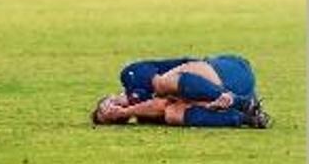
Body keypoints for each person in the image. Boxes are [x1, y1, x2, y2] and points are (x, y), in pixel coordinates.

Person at [92, 55, 271, 128]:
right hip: (237, 91)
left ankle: (240, 103)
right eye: (110, 118)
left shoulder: (131, 76)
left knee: (163, 84)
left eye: (104, 108)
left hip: (229, 71)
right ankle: (246, 117)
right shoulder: (146, 114)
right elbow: (160, 106)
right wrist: (126, 112)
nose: (110, 111)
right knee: (172, 113)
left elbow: (160, 87)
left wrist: (125, 111)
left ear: (110, 97)